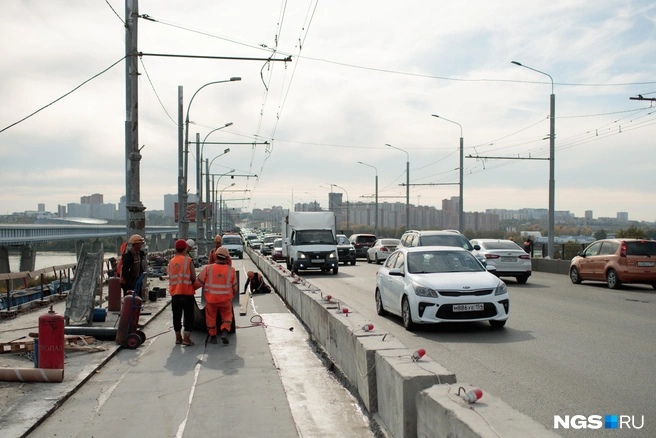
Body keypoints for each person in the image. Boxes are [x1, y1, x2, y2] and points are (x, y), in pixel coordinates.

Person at [198, 247, 237, 345]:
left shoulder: (208, 268)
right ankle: (224, 331)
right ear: (227, 258)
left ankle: (213, 336)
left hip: (211, 300)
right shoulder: (231, 270)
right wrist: (231, 295)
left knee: (211, 317)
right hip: (225, 300)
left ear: (216, 256)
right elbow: (235, 287)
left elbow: (199, 282)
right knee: (227, 316)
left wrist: (189, 289)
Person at [168, 239, 199, 346]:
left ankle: (178, 338)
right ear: (185, 248)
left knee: (176, 316)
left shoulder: (171, 262)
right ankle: (186, 338)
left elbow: (170, 277)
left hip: (175, 294)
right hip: (187, 293)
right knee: (188, 316)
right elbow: (194, 277)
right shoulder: (188, 260)